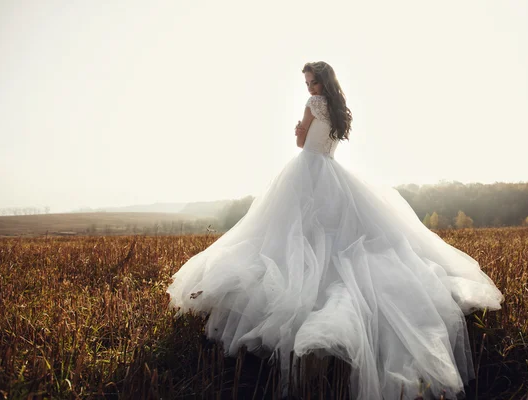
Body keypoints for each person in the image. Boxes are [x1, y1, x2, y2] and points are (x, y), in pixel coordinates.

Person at [166, 61, 504, 400]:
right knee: (328, 236)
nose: (310, 88)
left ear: (322, 82)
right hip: (331, 172)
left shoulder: (314, 105)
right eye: (308, 83)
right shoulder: (341, 109)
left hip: (308, 172)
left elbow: (302, 144)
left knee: (294, 235)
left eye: (313, 82)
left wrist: (299, 129)